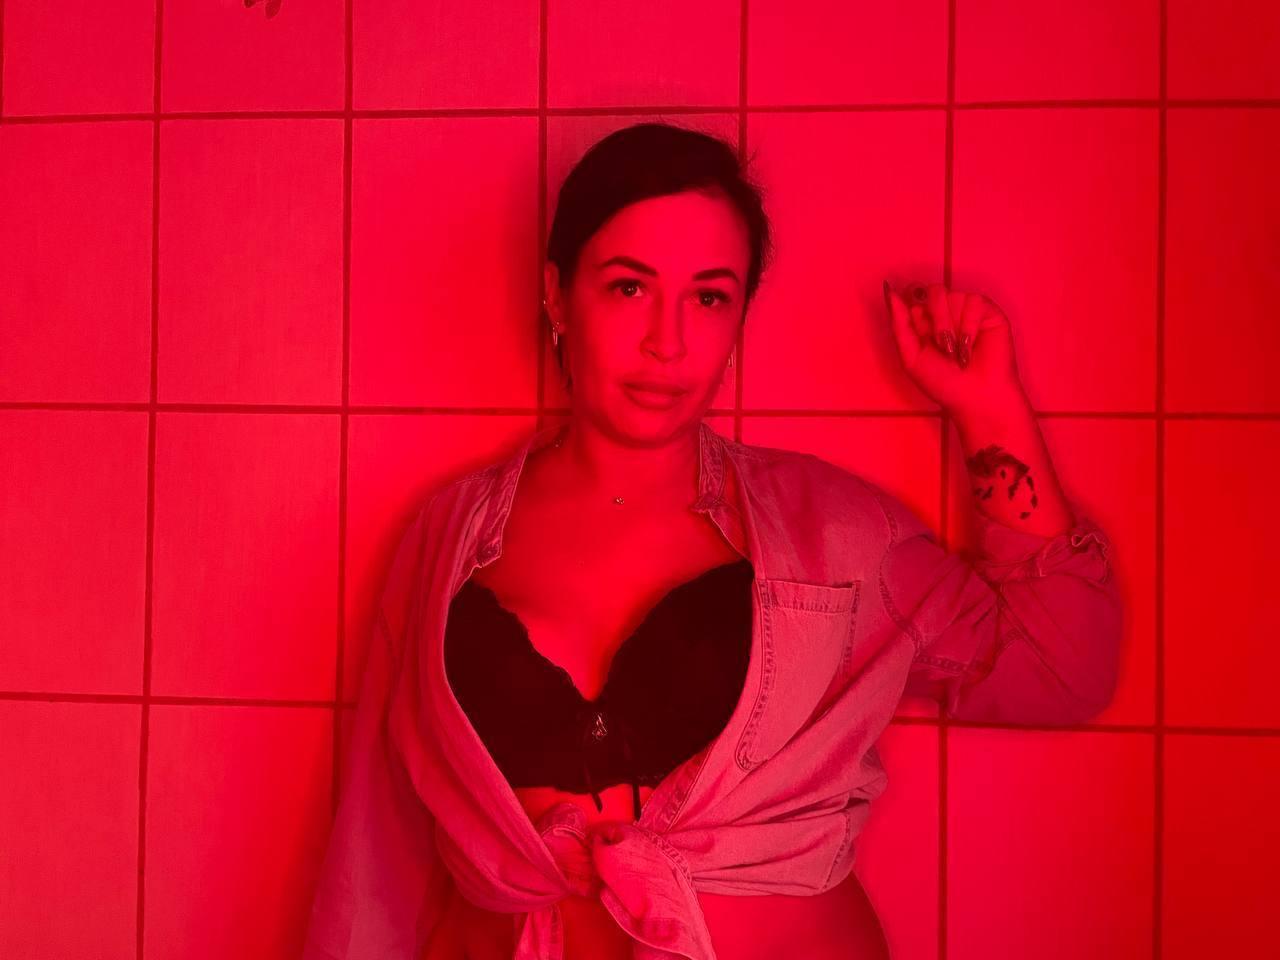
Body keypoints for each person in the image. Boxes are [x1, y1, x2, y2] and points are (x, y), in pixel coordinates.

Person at [301, 122, 1123, 960]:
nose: (668, 342)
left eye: (709, 297)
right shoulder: (449, 535)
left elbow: (1060, 670)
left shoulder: (834, 535)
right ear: (556, 294)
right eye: (629, 287)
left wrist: (988, 407)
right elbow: (379, 843)